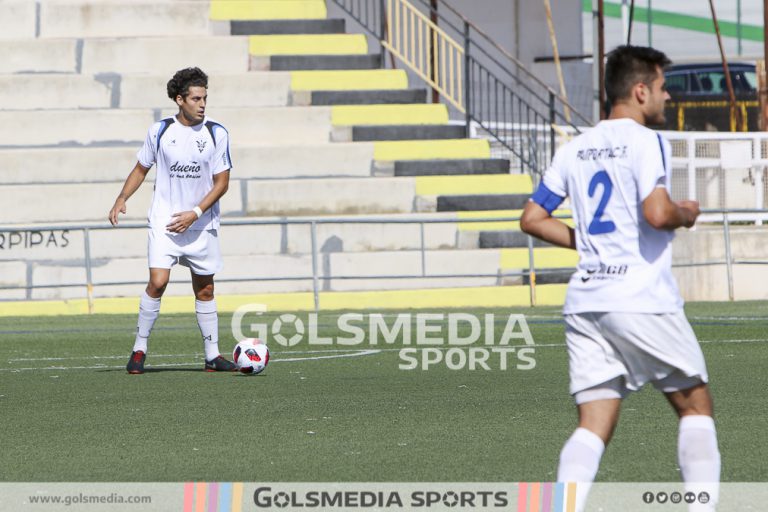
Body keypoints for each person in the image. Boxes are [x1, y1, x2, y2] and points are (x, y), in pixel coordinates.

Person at [520, 46, 719, 511]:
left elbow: (532, 218)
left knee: (593, 423)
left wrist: (587, 244)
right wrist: (686, 213)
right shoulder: (645, 141)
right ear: (640, 90)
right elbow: (656, 213)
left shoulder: (575, 148)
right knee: (695, 407)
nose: (668, 97)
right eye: (663, 87)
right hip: (640, 296)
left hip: (587, 300)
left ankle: (560, 508)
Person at [108, 67, 236, 374]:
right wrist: (122, 197)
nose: (202, 104)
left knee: (205, 289)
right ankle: (139, 349)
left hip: (200, 223)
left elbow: (222, 183)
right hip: (165, 222)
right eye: (195, 98)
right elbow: (141, 168)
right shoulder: (160, 130)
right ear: (180, 100)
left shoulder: (217, 133)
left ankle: (212, 355)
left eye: (205, 97)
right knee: (158, 282)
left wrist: (194, 212)